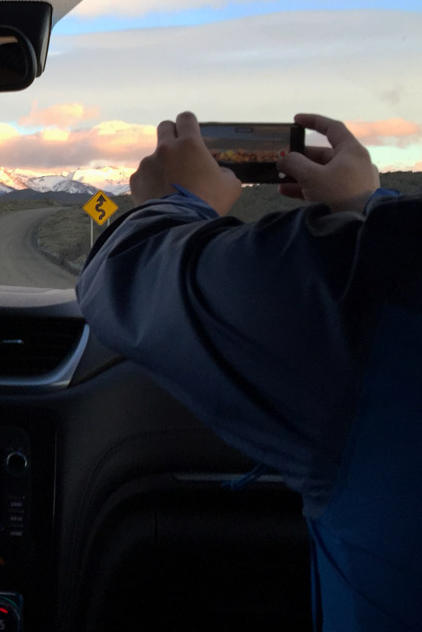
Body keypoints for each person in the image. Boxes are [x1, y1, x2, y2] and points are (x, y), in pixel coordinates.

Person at [77, 110, 422, 631]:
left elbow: (128, 272)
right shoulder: (384, 291)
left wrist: (174, 200)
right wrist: (364, 209)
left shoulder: (374, 303)